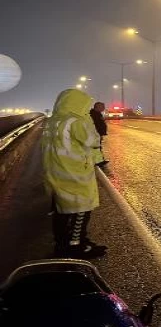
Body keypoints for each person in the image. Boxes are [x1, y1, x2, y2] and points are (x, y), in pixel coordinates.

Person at [41, 88, 107, 259]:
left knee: (61, 212)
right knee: (81, 211)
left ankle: (61, 245)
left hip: (55, 173)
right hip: (75, 173)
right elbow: (93, 140)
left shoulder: (51, 122)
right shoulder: (76, 121)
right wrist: (87, 120)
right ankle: (76, 246)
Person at [89, 102, 108, 167]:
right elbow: (95, 125)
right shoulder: (93, 114)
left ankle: (99, 161)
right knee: (96, 147)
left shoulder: (97, 113)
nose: (104, 108)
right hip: (95, 134)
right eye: (102, 106)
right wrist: (97, 134)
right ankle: (98, 162)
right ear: (97, 107)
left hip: (97, 134)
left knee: (98, 147)